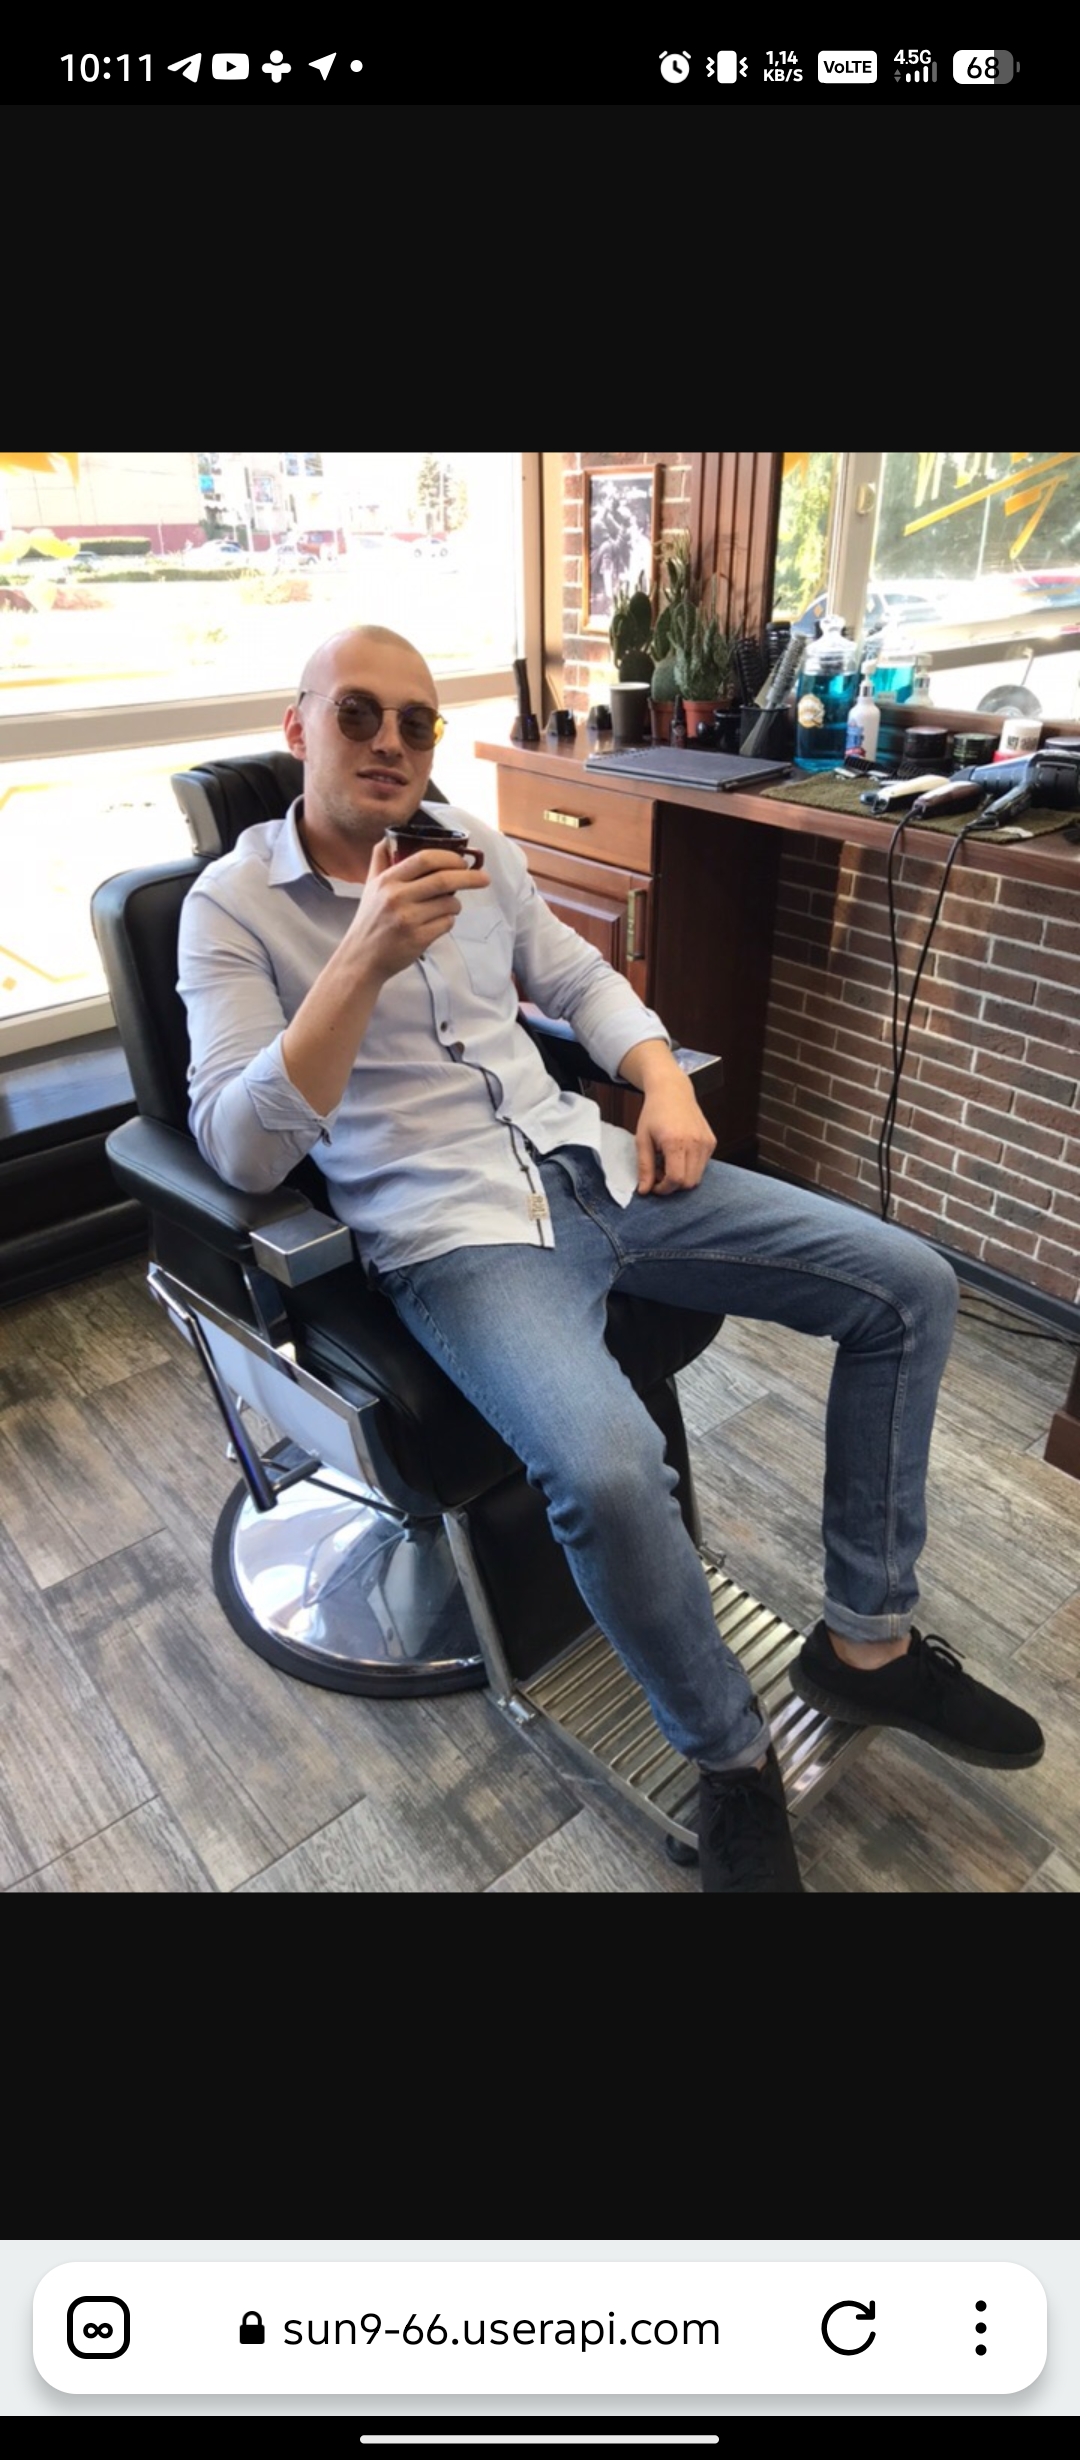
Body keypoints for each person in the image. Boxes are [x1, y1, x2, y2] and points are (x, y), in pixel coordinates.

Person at [177, 624, 1045, 1894]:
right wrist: (359, 958)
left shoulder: (476, 852)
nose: (390, 742)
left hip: (597, 1168)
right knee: (607, 1466)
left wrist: (658, 1077)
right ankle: (730, 1758)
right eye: (357, 713)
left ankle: (867, 1646)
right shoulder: (228, 907)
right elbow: (238, 1147)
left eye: (417, 721)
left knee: (909, 1286)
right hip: (453, 1234)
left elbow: (580, 979)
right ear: (298, 726)